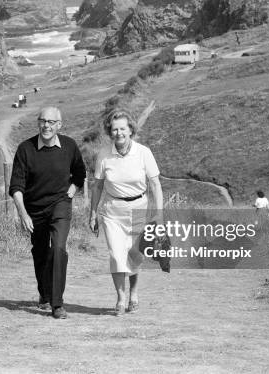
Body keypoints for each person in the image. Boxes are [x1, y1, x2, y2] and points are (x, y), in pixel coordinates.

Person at [9, 107, 86, 319]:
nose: (47, 126)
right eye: (43, 121)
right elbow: (16, 186)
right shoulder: (25, 149)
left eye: (52, 122)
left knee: (58, 249)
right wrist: (23, 214)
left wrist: (71, 190)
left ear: (59, 125)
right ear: (38, 123)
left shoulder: (69, 146)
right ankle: (44, 293)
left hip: (61, 204)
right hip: (34, 210)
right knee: (40, 252)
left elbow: (80, 172)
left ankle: (57, 303)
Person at [89, 109, 163, 316]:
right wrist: (93, 213)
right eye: (114, 129)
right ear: (109, 132)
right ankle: (121, 298)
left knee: (135, 255)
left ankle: (134, 293)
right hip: (112, 211)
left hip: (139, 208)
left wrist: (159, 214)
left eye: (123, 128)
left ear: (130, 129)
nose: (118, 133)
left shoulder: (143, 152)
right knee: (116, 255)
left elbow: (155, 184)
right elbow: (97, 186)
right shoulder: (104, 155)